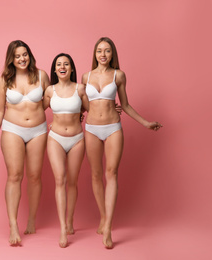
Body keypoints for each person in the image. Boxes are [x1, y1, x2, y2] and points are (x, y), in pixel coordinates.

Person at [81, 37, 162, 249]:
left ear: (112, 54)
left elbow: (125, 104)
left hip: (113, 128)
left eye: (107, 51)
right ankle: (103, 216)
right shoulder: (85, 76)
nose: (103, 54)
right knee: (96, 175)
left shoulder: (119, 75)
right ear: (95, 53)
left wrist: (146, 123)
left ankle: (108, 227)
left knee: (112, 173)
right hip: (90, 129)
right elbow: (82, 105)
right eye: (99, 50)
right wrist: (62, 121)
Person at [0, 40, 50, 246]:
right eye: (17, 56)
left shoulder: (42, 76)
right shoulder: (4, 80)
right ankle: (13, 225)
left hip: (38, 130)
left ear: (29, 55)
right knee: (15, 175)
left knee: (34, 176)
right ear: (11, 60)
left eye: (24, 54)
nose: (22, 58)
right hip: (12, 129)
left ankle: (32, 220)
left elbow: (53, 99)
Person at [43, 53, 89, 248]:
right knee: (59, 180)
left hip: (77, 140)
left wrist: (114, 109)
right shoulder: (49, 90)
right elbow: (36, 111)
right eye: (59, 64)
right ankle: (63, 229)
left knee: (72, 182)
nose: (62, 67)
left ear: (71, 69)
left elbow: (92, 110)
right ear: (55, 69)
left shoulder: (80, 89)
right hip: (55, 139)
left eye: (66, 64)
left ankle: (70, 220)